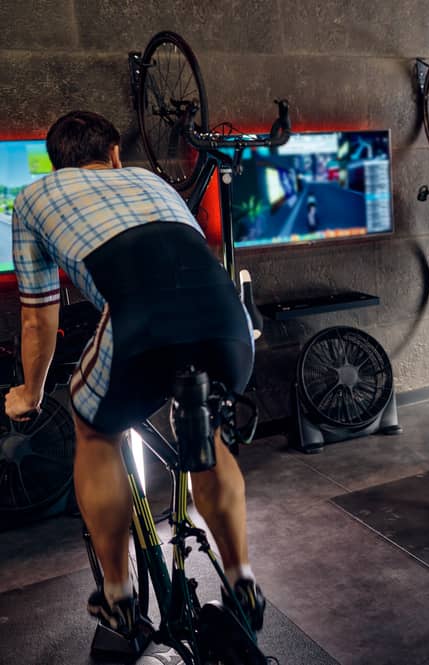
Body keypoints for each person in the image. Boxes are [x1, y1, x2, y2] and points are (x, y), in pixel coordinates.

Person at [5, 111, 265, 637]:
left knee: (93, 427)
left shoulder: (32, 199)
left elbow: (38, 316)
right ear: (115, 154)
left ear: (56, 165)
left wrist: (29, 393)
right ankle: (242, 578)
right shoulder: (149, 179)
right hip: (226, 319)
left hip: (137, 322)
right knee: (207, 432)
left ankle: (118, 596)